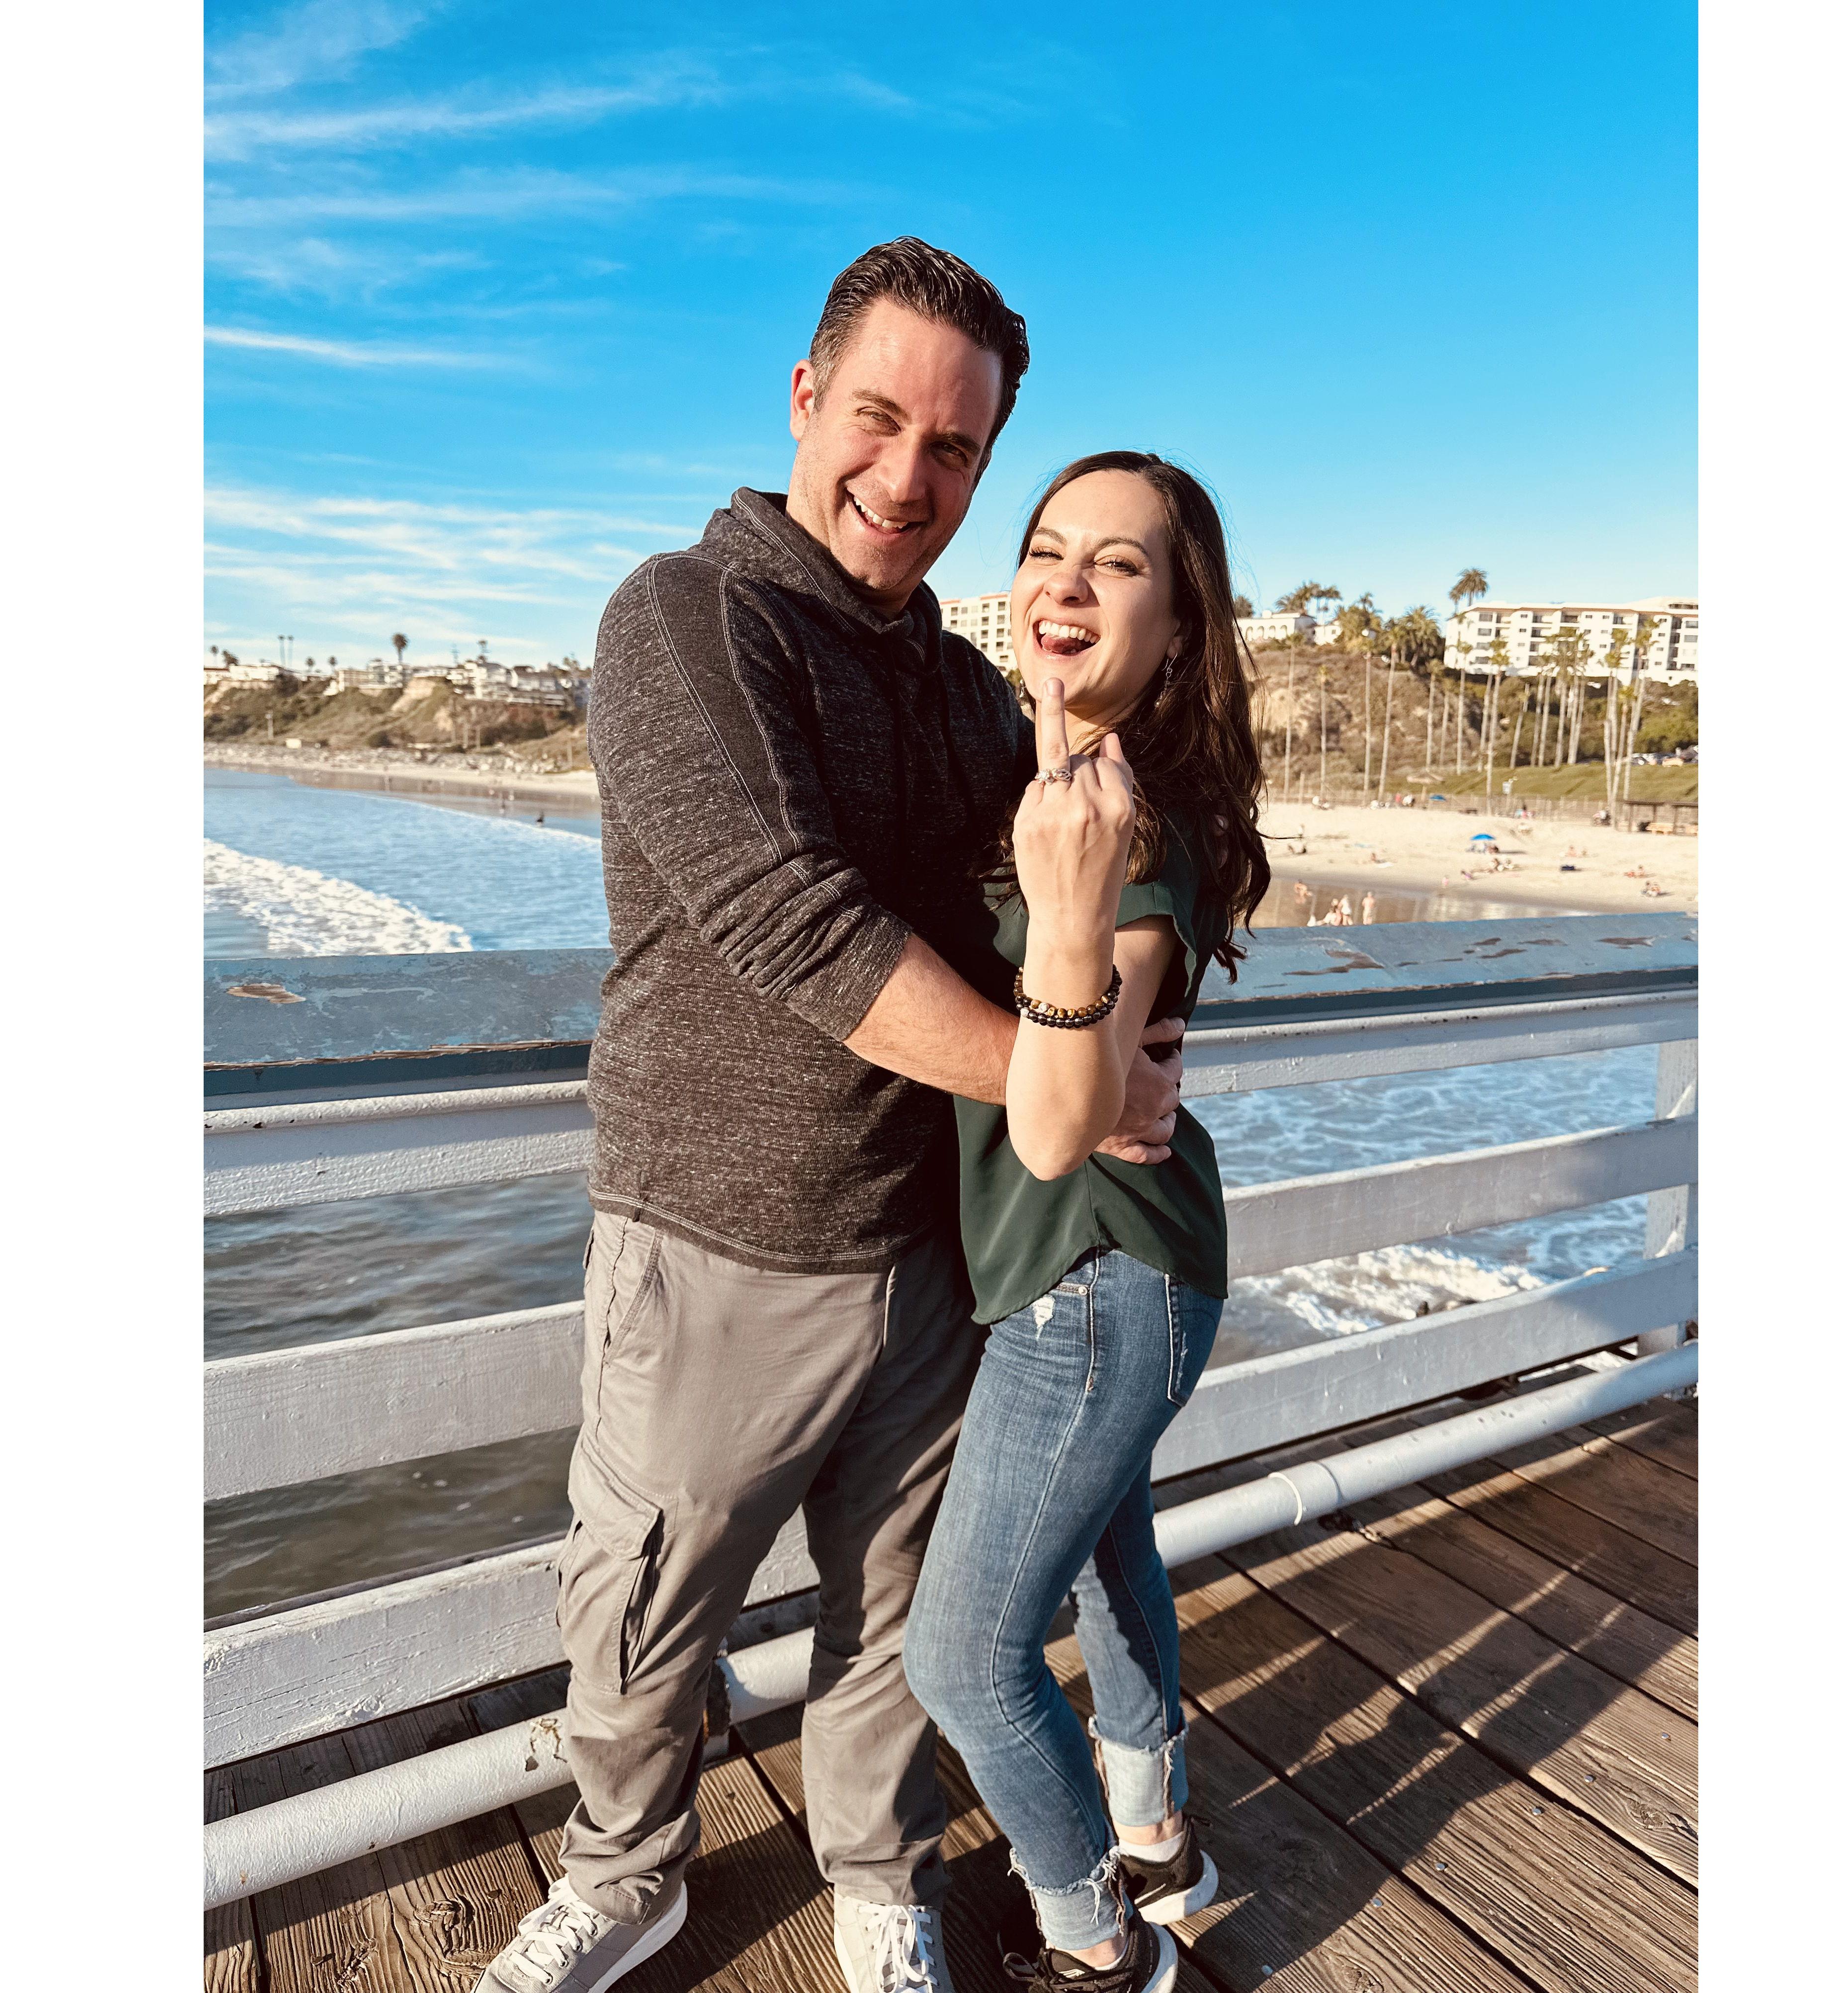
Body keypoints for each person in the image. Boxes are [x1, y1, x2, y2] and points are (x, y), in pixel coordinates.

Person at [476, 244, 1186, 1993]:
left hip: (932, 1247)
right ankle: (624, 1870)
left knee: (894, 1620)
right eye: (879, 420)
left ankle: (879, 1880)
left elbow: (1041, 912)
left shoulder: (956, 685)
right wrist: (1063, 1080)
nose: (908, 479)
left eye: (956, 452)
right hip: (714, 1236)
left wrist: (1117, 1016)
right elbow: (793, 919)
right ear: (807, 400)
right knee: (644, 1602)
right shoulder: (682, 618)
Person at [905, 455, 1271, 1993]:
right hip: (1141, 1266)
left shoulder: (1125, 825)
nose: (1060, 581)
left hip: (1098, 1276)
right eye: (1046, 549)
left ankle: (1095, 1942)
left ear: (1181, 627)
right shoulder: (1057, 790)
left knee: (964, 1660)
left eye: (1115, 566)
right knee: (1115, 1557)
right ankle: (1157, 1841)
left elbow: (1072, 1115)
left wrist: (1094, 999)